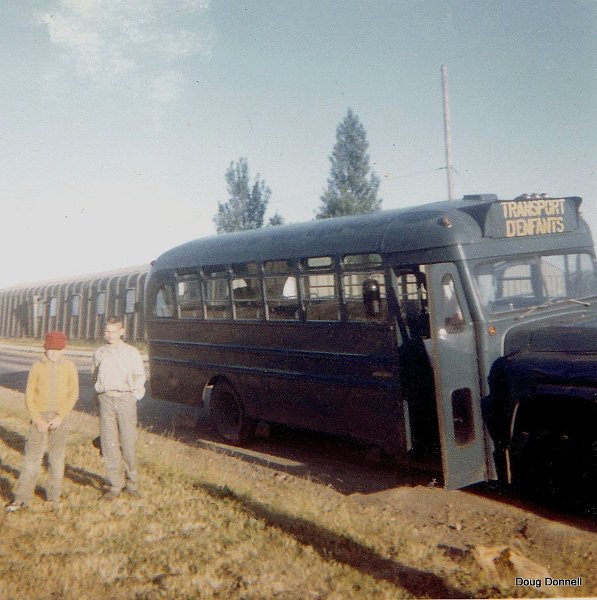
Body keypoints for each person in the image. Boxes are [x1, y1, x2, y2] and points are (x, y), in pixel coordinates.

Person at [6, 331, 79, 512]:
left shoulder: (69, 367)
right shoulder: (37, 367)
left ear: (64, 349)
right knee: (32, 458)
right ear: (45, 349)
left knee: (56, 458)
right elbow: (29, 396)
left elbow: (73, 394)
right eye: (50, 349)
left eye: (58, 349)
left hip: (59, 420)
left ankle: (53, 497)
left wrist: (60, 416)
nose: (53, 353)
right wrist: (37, 419)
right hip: (39, 417)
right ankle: (22, 498)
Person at [93, 316, 146, 500]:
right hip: (106, 400)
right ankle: (115, 485)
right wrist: (99, 397)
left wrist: (133, 397)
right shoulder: (99, 353)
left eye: (114, 331)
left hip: (125, 400)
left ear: (122, 331)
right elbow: (95, 376)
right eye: (107, 331)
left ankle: (132, 484)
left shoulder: (131, 352)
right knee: (109, 444)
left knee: (128, 443)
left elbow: (140, 376)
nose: (110, 335)